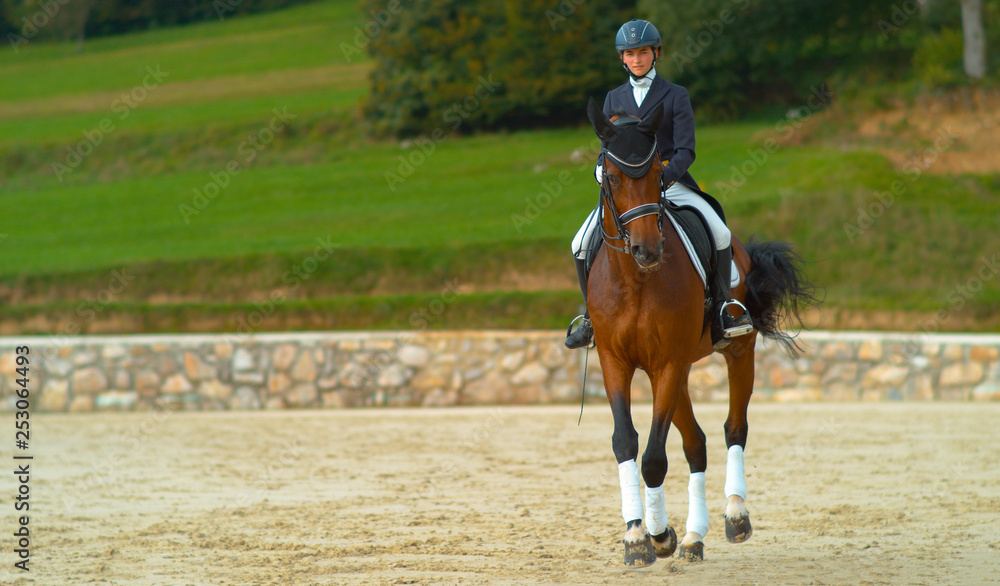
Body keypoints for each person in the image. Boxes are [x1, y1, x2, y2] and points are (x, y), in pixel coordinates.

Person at [565, 18, 753, 351]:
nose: (637, 59)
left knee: (721, 234)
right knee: (580, 243)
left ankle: (725, 310)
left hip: (670, 181)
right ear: (622, 58)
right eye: (630, 54)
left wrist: (660, 178)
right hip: (627, 191)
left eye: (643, 52)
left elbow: (686, 150)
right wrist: (601, 171)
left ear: (656, 54)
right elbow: (607, 148)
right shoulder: (613, 98)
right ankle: (590, 319)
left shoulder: (676, 95)